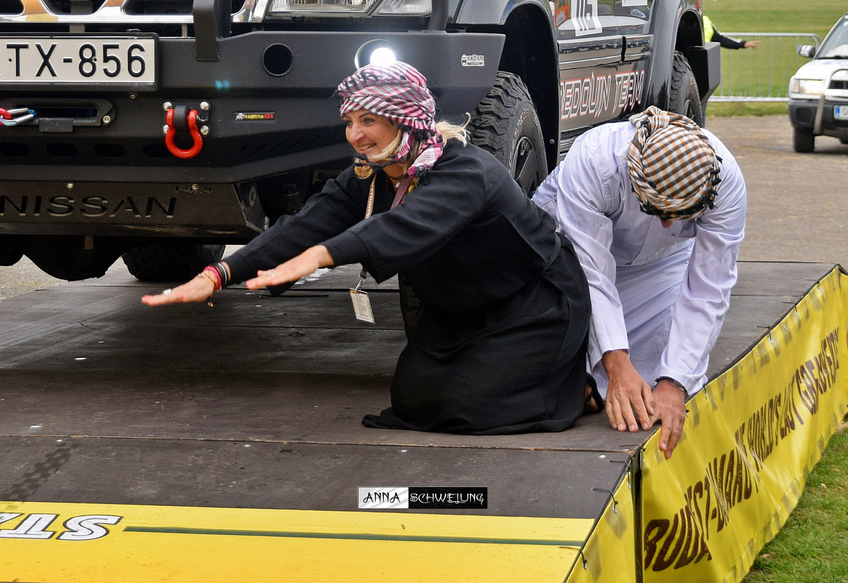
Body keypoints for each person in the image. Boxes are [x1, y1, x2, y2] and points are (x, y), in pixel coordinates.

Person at [143, 62, 592, 436]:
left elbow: (402, 226)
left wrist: (320, 257)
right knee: (413, 399)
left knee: (465, 406)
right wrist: (219, 274)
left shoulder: (468, 172)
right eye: (349, 122)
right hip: (461, 315)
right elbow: (302, 226)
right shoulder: (371, 176)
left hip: (534, 306)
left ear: (405, 120)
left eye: (368, 121)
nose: (355, 135)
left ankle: (577, 387)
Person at [532, 106, 746, 458]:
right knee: (548, 352)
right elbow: (593, 274)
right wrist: (617, 364)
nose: (666, 226)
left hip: (659, 265)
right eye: (657, 210)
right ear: (636, 179)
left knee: (658, 374)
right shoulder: (595, 161)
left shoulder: (726, 183)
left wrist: (674, 383)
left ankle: (590, 385)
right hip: (567, 254)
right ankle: (578, 382)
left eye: (678, 216)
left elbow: (710, 287)